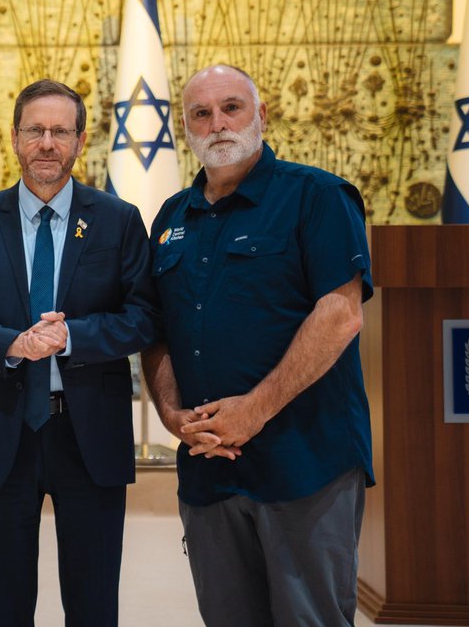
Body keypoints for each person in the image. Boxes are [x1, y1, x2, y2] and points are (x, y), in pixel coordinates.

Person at [141, 64, 374, 627]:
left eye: (232, 107)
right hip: (209, 469)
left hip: (304, 463)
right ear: (186, 129)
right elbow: (157, 329)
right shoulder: (172, 217)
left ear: (261, 115)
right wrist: (171, 414)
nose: (218, 124)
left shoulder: (317, 196)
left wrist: (254, 410)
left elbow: (340, 315)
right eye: (201, 114)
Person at [0, 79, 159, 627]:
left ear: (81, 140)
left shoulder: (118, 220)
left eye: (60, 131)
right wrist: (12, 343)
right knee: (5, 602)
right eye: (35, 130)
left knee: (93, 601)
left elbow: (145, 317)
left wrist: (70, 336)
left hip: (90, 434)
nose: (47, 143)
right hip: (2, 431)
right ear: (14, 138)